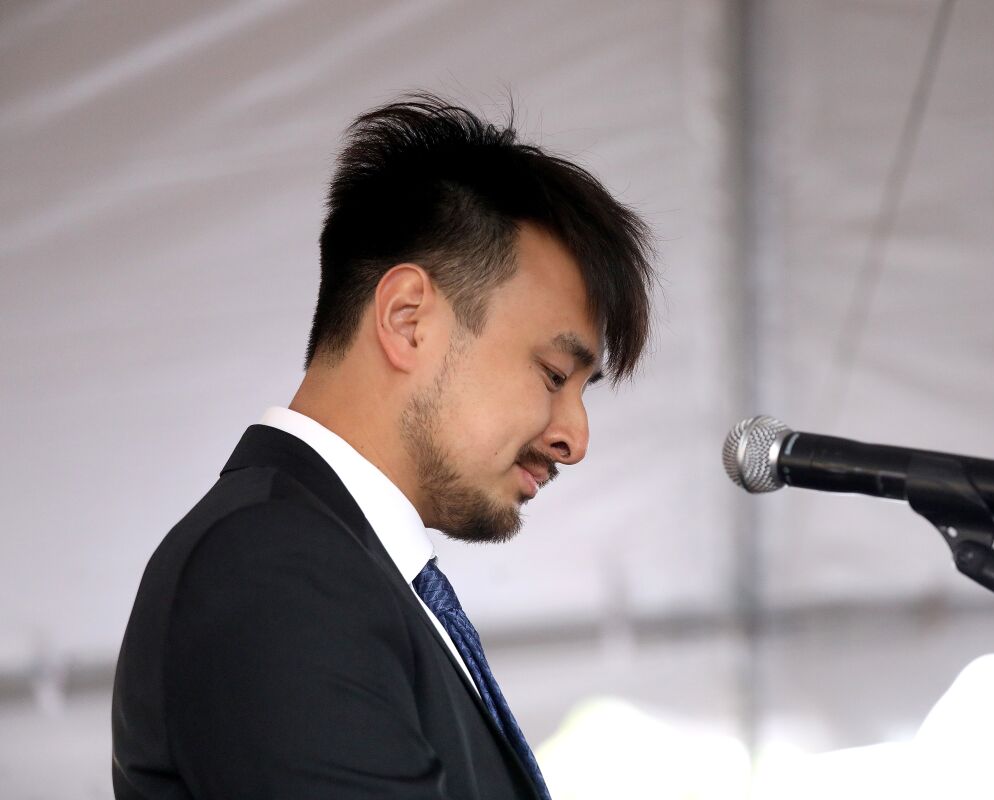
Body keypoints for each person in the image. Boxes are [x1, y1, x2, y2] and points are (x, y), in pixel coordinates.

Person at [111, 94, 655, 799]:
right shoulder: (273, 567)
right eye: (554, 374)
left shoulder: (332, 564)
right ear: (408, 320)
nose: (574, 437)